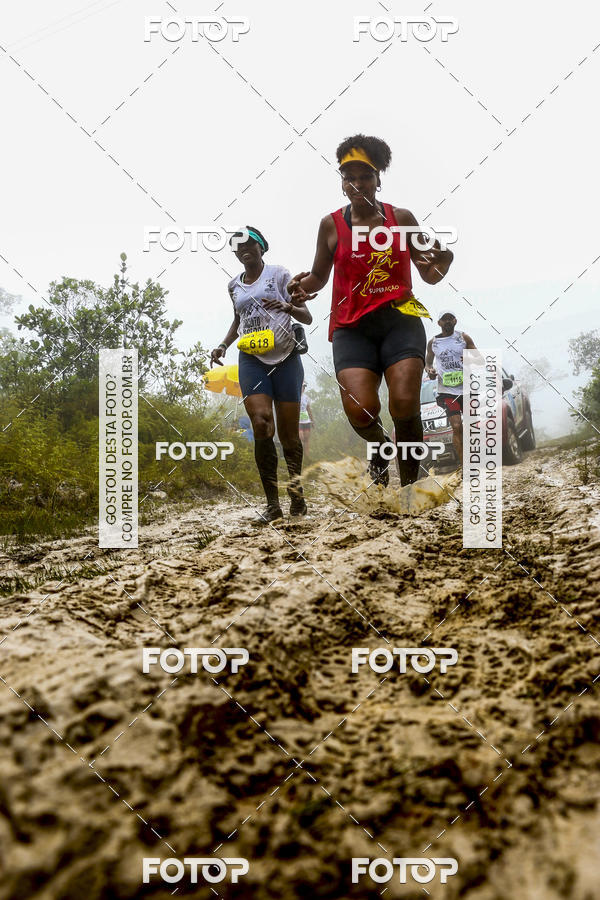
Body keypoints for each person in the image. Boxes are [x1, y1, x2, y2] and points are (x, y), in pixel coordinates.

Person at [287, 134, 453, 486]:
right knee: (361, 410)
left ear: (378, 179)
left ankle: (410, 488)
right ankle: (380, 446)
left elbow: (431, 273)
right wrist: (301, 289)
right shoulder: (331, 225)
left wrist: (445, 258)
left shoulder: (401, 217)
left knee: (405, 403)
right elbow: (319, 276)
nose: (357, 183)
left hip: (400, 320)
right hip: (352, 328)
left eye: (365, 175)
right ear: (342, 182)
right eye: (349, 177)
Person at [210, 226, 313, 522]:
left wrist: (287, 305)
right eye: (236, 245)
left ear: (261, 247)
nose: (242, 248)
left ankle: (297, 498)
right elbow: (237, 320)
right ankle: (272, 505)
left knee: (290, 437)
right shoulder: (233, 285)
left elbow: (306, 315)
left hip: (286, 358)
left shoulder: (280, 274)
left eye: (248, 243)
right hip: (252, 359)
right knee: (260, 423)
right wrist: (223, 345)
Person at [425, 310, 478, 464]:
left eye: (450, 318)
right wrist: (430, 371)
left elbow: (479, 359)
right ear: (439, 323)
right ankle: (464, 465)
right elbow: (428, 363)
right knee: (456, 426)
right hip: (446, 390)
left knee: (471, 427)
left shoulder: (463, 338)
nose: (447, 321)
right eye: (444, 319)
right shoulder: (433, 342)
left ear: (455, 321)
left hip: (466, 389)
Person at [298, 382, 314, 456]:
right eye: (302, 387)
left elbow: (308, 409)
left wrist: (312, 420)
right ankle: (299, 455)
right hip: (298, 421)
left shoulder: (306, 397)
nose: (303, 388)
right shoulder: (295, 396)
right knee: (301, 437)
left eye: (304, 387)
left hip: (306, 420)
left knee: (306, 439)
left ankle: (307, 456)